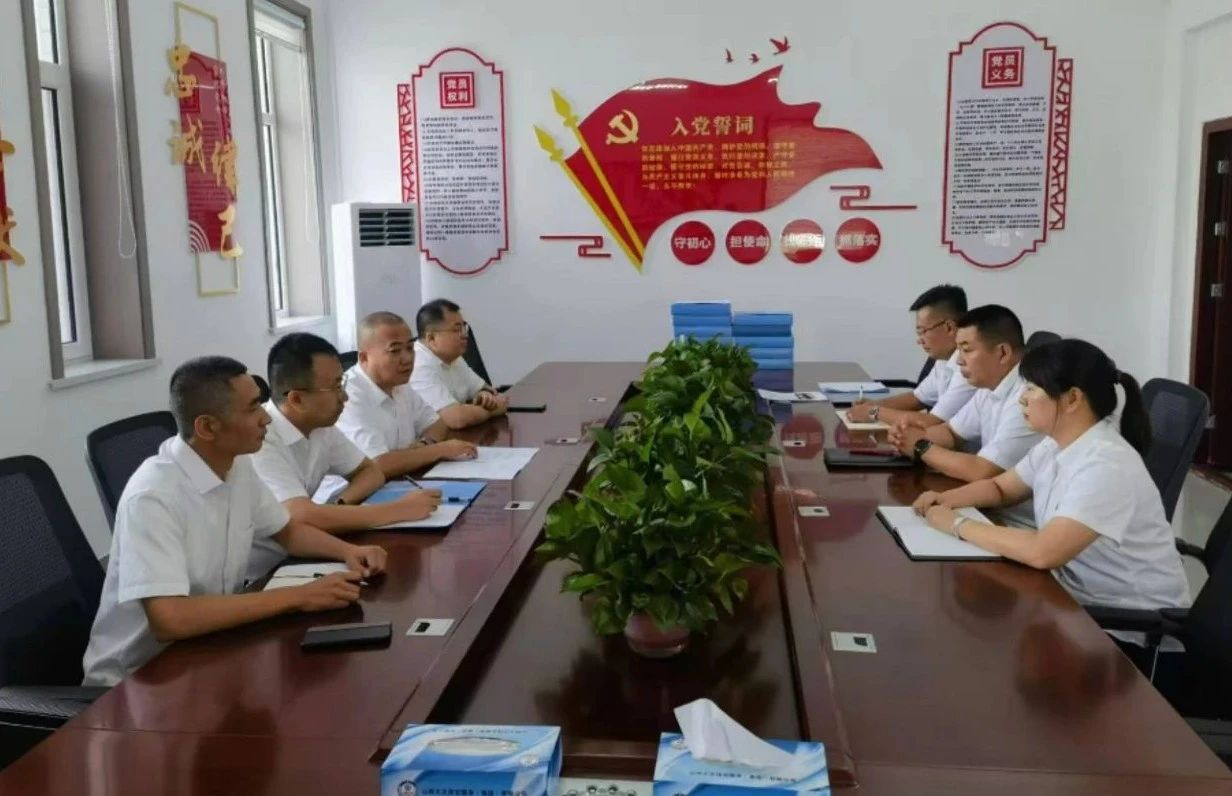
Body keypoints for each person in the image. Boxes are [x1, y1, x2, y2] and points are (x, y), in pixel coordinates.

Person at [82, 356, 387, 687]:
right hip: (137, 681)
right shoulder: (153, 496)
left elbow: (286, 530)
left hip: (209, 648)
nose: (265, 418)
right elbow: (170, 619)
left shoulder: (235, 464)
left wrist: (348, 552)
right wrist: (299, 596)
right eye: (253, 408)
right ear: (207, 427)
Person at [911, 339, 1190, 658]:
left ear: (1072, 399)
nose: (1022, 398)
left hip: (1128, 631)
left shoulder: (1106, 465)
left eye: (1032, 389)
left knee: (974, 645)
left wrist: (957, 524)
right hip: (1074, 600)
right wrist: (946, 499)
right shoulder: (1058, 442)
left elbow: (1043, 552)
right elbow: (1001, 488)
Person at [249, 333, 444, 578]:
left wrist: (339, 504)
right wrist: (398, 510)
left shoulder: (321, 426)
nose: (345, 396)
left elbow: (370, 471)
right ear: (297, 399)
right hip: (263, 574)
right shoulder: (260, 439)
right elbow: (301, 515)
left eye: (341, 384)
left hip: (305, 553)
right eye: (334, 388)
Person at [888, 305, 1042, 491]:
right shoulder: (991, 384)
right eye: (959, 350)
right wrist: (906, 438)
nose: (959, 360)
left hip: (1011, 507)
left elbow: (983, 471)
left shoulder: (1029, 395)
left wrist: (921, 446)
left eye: (967, 350)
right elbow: (952, 433)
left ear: (1003, 353)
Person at [336, 311, 478, 478]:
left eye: (410, 348)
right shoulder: (348, 395)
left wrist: (425, 445)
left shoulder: (400, 384)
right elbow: (378, 464)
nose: (407, 358)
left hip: (403, 480)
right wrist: (440, 450)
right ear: (364, 358)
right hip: (354, 491)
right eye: (395, 351)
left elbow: (438, 424)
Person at [848, 284, 975, 427]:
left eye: (923, 331)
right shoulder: (943, 360)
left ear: (949, 328)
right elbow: (918, 398)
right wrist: (874, 405)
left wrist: (874, 412)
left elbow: (931, 422)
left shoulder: (969, 367)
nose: (919, 340)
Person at [410, 299, 507, 429]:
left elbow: (485, 389)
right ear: (431, 338)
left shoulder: (453, 357)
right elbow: (456, 419)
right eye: (457, 330)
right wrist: (493, 410)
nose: (465, 335)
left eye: (464, 328)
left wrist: (484, 396)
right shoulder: (418, 365)